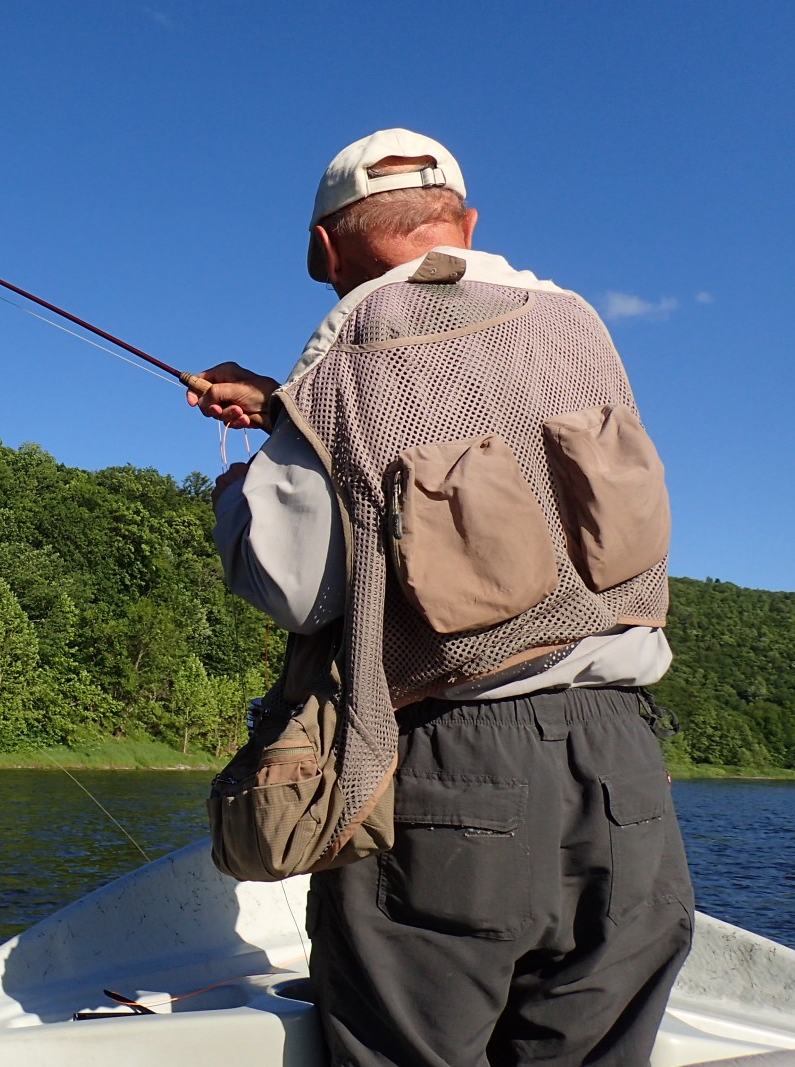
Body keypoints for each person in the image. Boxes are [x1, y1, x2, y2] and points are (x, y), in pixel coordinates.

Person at [189, 129, 694, 1066]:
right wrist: (288, 409)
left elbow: (296, 588)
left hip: (451, 772)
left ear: (326, 250)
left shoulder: (344, 347)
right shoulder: (577, 317)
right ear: (464, 224)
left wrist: (242, 486)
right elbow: (472, 406)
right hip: (628, 775)